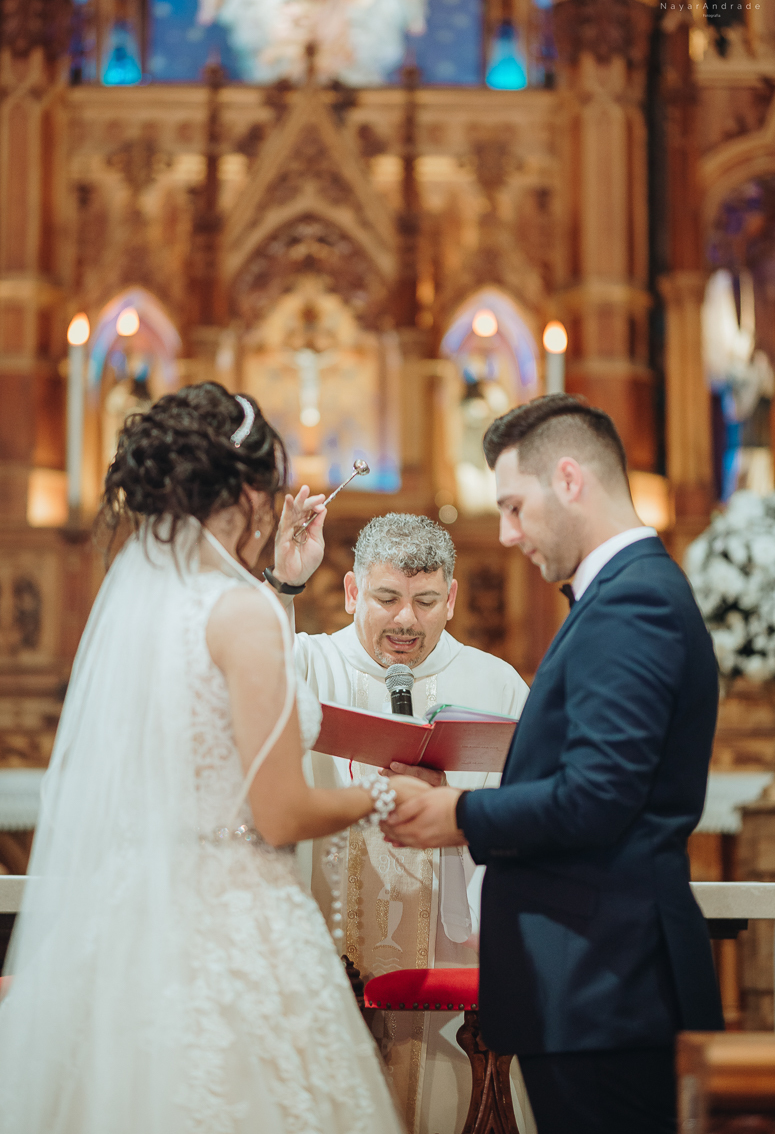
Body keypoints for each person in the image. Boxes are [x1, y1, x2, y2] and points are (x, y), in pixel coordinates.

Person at [0, 382, 422, 1134]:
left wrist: (280, 580)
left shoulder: (137, 611)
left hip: (128, 916)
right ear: (253, 493)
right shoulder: (238, 612)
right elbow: (280, 811)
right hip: (229, 923)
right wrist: (388, 796)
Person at [383, 394, 725, 1134]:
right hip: (592, 984)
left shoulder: (634, 604)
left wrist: (459, 817)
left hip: (608, 986)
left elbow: (597, 798)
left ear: (569, 479)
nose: (505, 534)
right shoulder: (615, 597)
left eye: (513, 506)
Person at [265, 508, 534, 1134]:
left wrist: (462, 811)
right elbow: (254, 679)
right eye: (386, 598)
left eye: (425, 600)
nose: (406, 619)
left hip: (452, 959)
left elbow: (531, 810)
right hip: (330, 945)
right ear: (353, 590)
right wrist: (283, 584)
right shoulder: (310, 664)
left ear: (452, 597)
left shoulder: (494, 685)